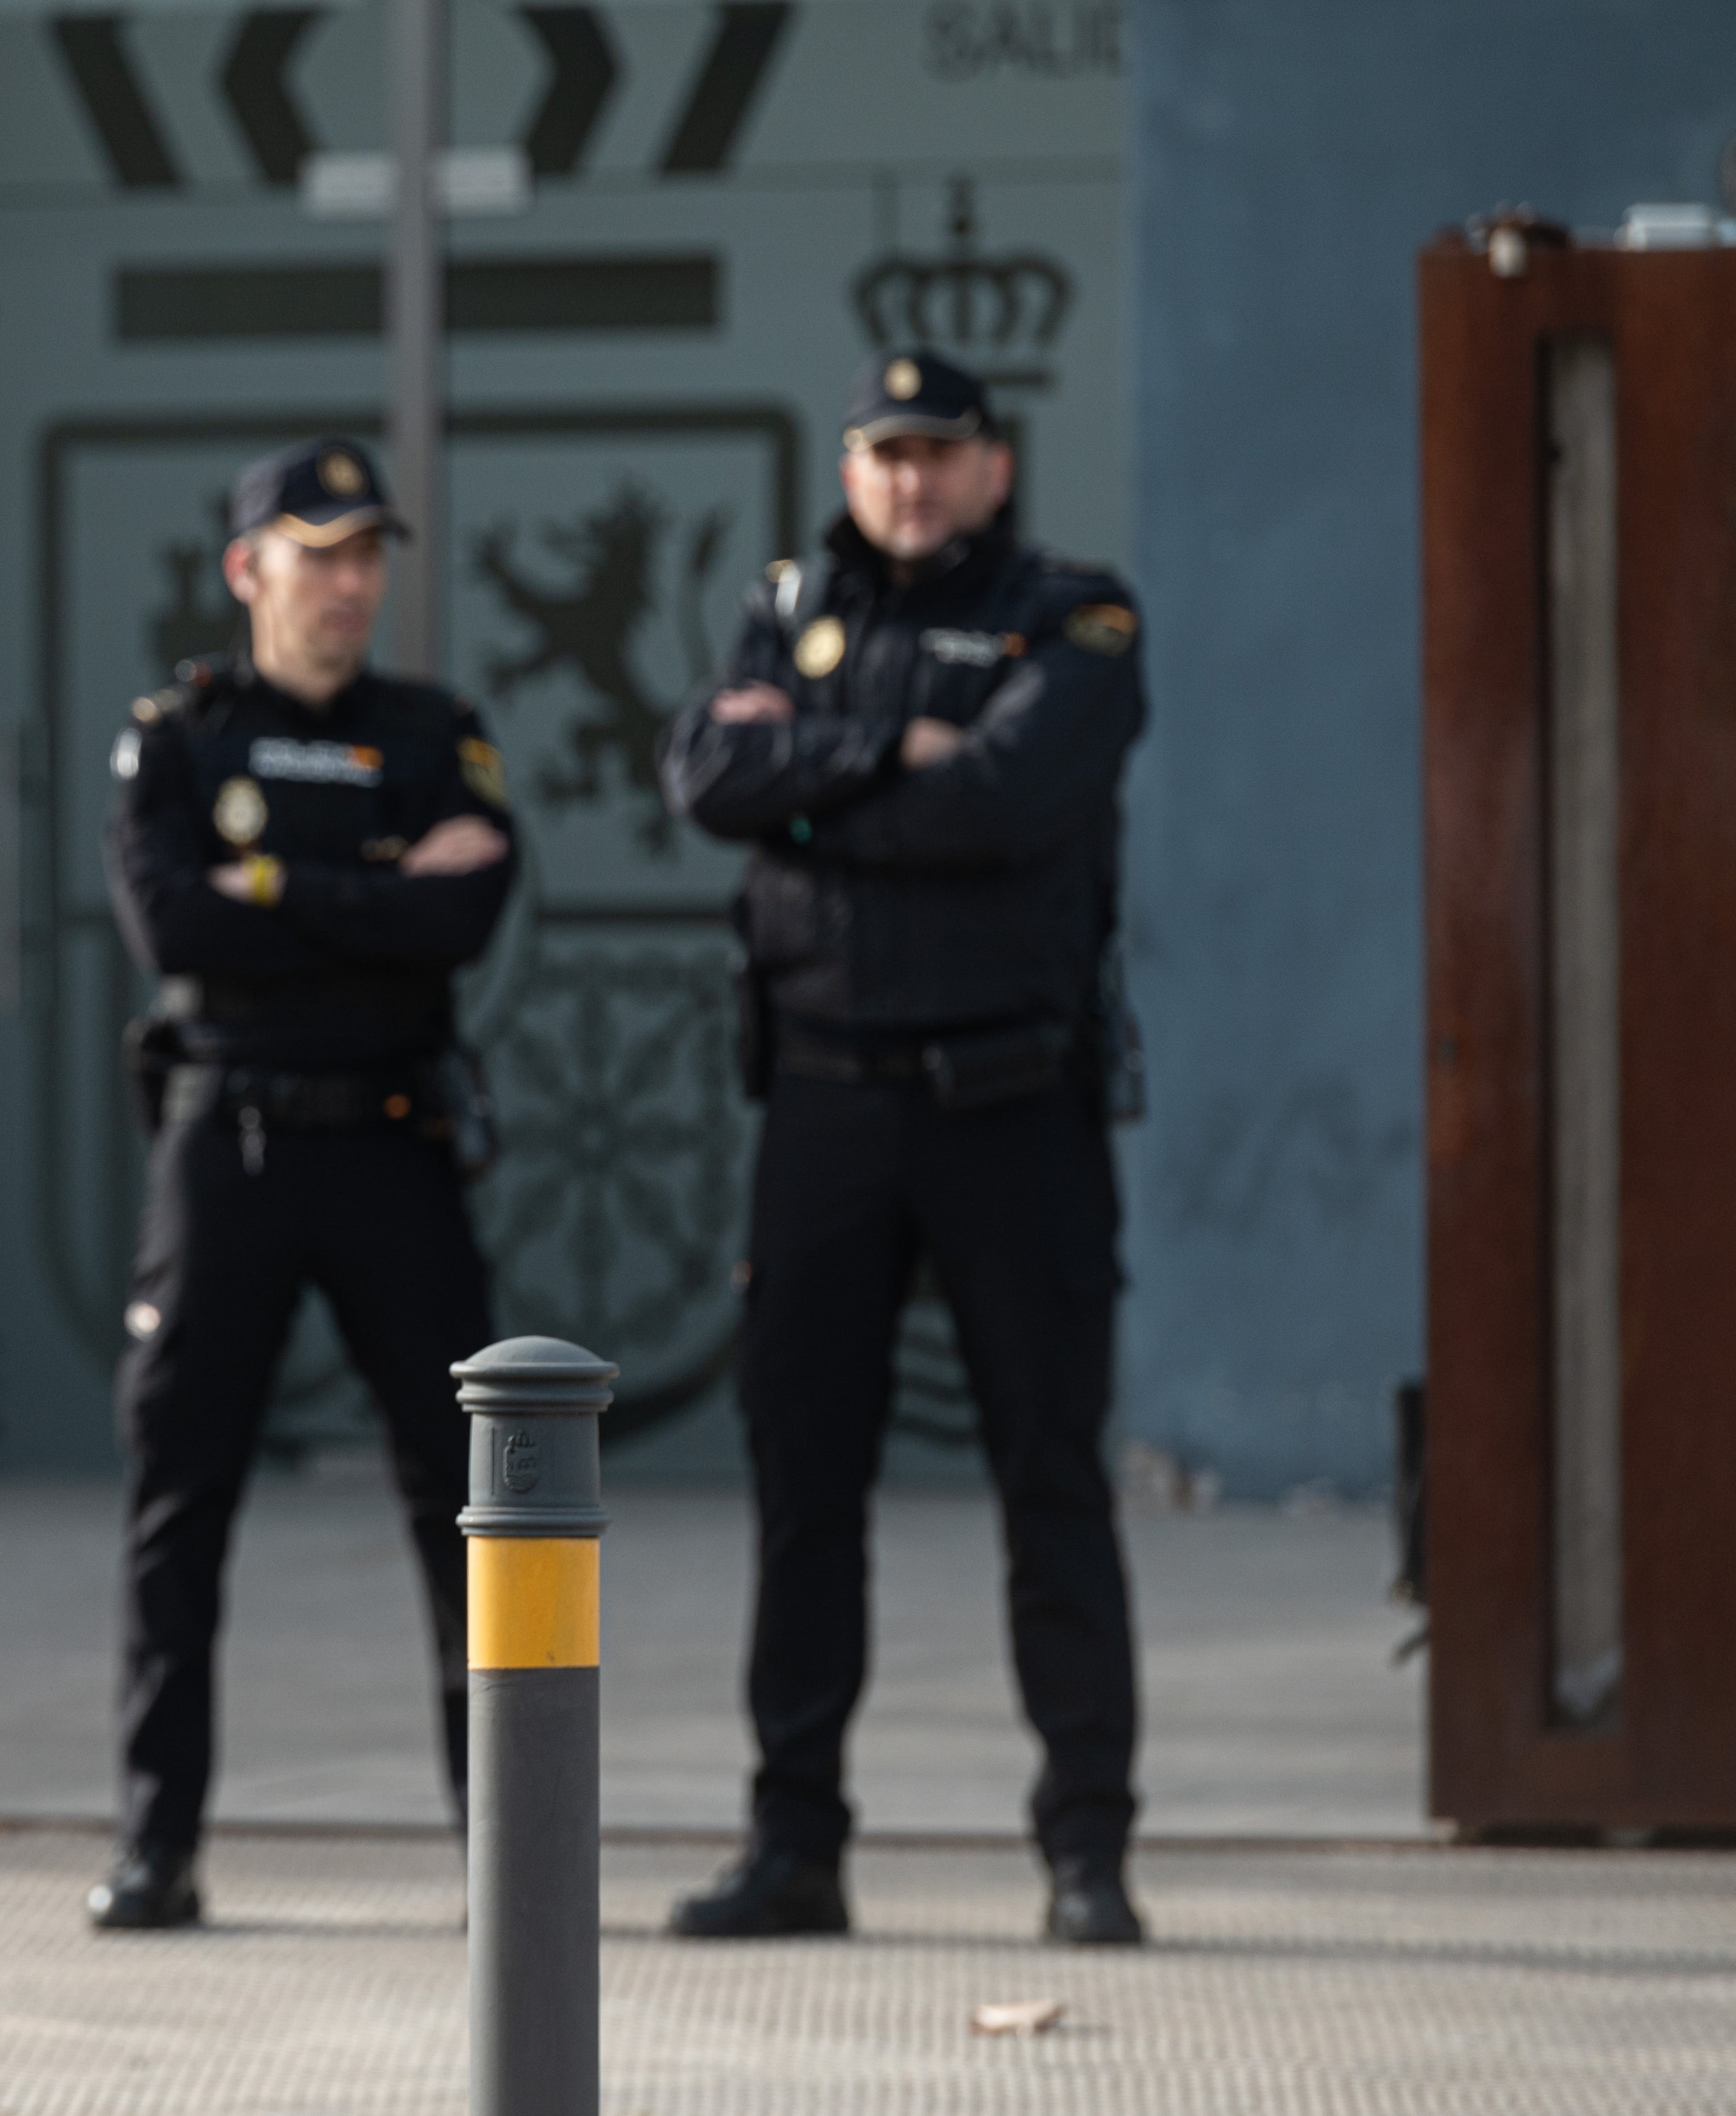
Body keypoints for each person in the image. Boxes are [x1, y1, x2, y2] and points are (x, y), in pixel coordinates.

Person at [660, 348, 1150, 1946]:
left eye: (941, 452)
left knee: (1049, 1478)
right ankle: (794, 1843)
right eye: (885, 453)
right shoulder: (788, 600)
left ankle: (1086, 1847)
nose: (912, 480)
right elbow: (707, 773)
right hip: (824, 1106)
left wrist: (812, 782)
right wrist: (891, 755)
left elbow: (1008, 798)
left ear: (996, 467)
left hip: (1014, 1105)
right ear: (852, 466)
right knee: (805, 1489)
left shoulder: (1075, 615)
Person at [90, 438, 517, 1929]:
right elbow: (177, 929)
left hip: (395, 1141)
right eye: (316, 550)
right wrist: (377, 892)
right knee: (176, 1499)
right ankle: (158, 1841)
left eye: (365, 554)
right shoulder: (182, 735)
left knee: (473, 1504)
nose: (346, 582)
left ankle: (503, 1847)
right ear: (246, 566)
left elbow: (466, 918)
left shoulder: (433, 729)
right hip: (232, 1148)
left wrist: (271, 884)